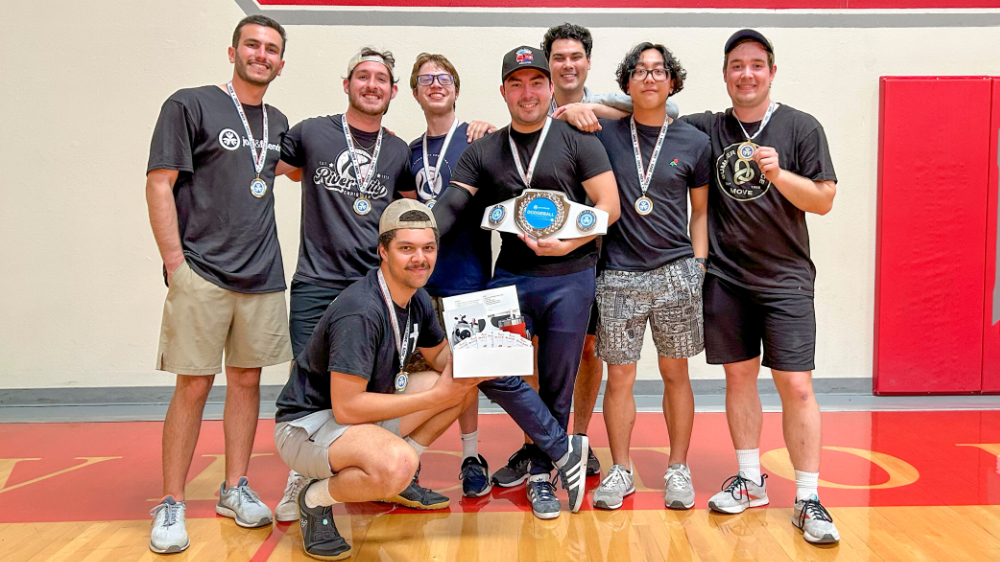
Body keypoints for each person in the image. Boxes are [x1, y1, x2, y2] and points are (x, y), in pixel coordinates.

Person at [488, 23, 685, 486]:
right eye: (558, 58)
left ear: (588, 62)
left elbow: (669, 107)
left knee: (589, 349)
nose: (567, 65)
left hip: (605, 251)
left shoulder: (607, 108)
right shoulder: (530, 102)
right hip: (536, 259)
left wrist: (590, 108)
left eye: (575, 57)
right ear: (547, 65)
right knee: (534, 352)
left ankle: (575, 440)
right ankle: (538, 442)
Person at [432, 45, 620, 519]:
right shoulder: (484, 150)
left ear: (550, 87)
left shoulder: (577, 139)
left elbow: (608, 206)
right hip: (510, 277)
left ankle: (541, 476)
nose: (527, 92)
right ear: (503, 91)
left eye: (536, 82)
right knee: (487, 367)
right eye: (516, 83)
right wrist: (418, 229)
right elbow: (454, 204)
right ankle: (563, 451)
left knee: (557, 385)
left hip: (571, 278)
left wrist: (572, 244)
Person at [681, 29, 840, 545]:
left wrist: (778, 173)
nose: (745, 73)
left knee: (796, 386)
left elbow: (822, 200)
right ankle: (750, 481)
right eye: (736, 65)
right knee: (739, 381)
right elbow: (646, 113)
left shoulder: (801, 126)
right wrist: (578, 110)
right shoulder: (708, 127)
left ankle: (809, 497)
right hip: (726, 280)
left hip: (787, 281)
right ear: (725, 74)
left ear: (771, 72)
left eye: (755, 65)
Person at [145, 15, 292, 554]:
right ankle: (172, 502)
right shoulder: (189, 104)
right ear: (232, 51)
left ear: (281, 62)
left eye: (271, 49)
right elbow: (159, 183)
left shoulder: (277, 121)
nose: (261, 54)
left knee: (248, 382)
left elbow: (305, 168)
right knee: (193, 386)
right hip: (201, 272)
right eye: (252, 45)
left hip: (261, 274)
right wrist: (174, 263)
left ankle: (234, 488)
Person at [274, 200, 483, 560]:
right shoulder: (360, 311)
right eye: (406, 248)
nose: (420, 258)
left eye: (427, 248)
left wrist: (490, 344)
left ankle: (393, 485)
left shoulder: (416, 298)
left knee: (462, 387)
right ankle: (314, 499)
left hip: (355, 416)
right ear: (383, 251)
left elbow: (443, 360)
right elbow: (348, 407)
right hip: (308, 425)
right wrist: (436, 396)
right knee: (398, 461)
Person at [273, 48, 431, 520]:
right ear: (347, 85)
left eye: (380, 79)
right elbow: (268, 171)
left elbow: (411, 211)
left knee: (375, 382)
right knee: (313, 389)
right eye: (362, 77)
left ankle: (387, 467)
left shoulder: (399, 149)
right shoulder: (311, 132)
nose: (371, 85)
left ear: (392, 91)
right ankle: (302, 480)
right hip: (317, 283)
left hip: (374, 288)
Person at [589, 43, 710, 512]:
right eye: (640, 71)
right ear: (627, 84)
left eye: (659, 71)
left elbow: (699, 214)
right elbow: (567, 115)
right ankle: (620, 469)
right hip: (617, 275)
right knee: (618, 378)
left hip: (676, 273)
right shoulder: (605, 134)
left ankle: (678, 467)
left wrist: (698, 265)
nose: (650, 78)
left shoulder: (693, 142)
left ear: (672, 82)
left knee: (675, 374)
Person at [407, 53, 495, 498]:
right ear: (416, 92)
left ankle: (471, 456)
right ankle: (408, 460)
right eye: (426, 80)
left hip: (469, 277)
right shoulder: (409, 152)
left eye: (444, 78)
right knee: (415, 373)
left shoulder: (479, 139)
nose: (435, 84)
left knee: (468, 375)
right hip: (419, 286)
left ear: (456, 89)